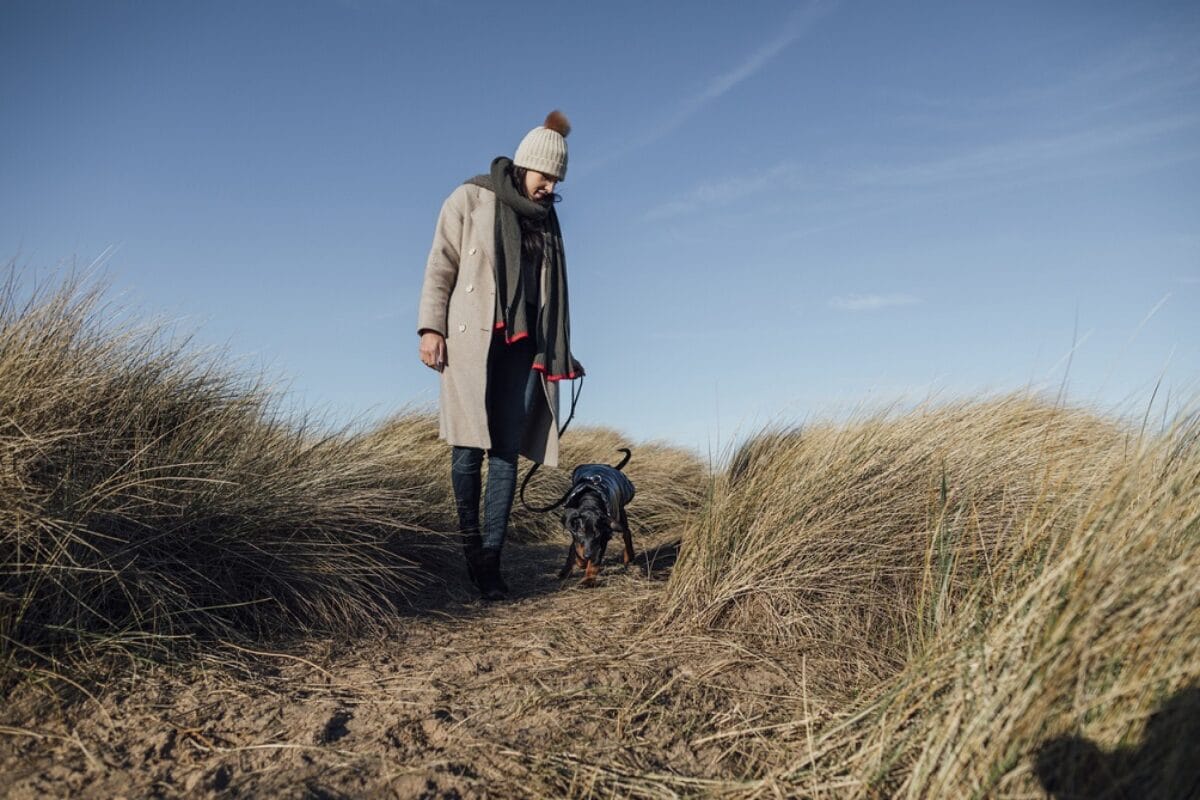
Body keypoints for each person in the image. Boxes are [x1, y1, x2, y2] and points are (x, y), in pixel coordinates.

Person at [417, 110, 583, 601]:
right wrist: (431, 327)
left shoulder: (547, 220)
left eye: (557, 179)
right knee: (467, 448)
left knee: (506, 450)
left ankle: (491, 560)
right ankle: (469, 547)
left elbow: (553, 294)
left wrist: (562, 352)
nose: (550, 187)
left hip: (523, 347)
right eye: (545, 176)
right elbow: (440, 263)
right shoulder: (470, 197)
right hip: (471, 339)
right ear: (525, 165)